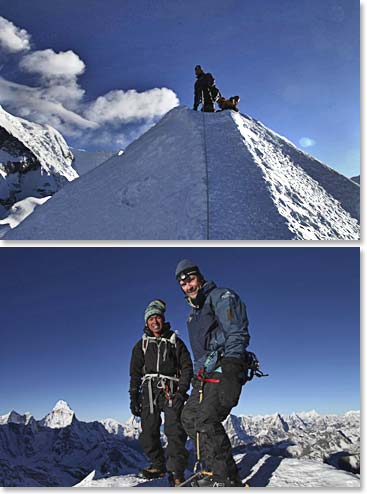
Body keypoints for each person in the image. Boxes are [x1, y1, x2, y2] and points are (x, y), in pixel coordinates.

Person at [175, 260, 250, 487]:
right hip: (204, 374)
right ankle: (214, 467)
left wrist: (232, 368)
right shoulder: (192, 317)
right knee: (189, 418)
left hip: (224, 366)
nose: (188, 286)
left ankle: (226, 479)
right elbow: (201, 352)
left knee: (207, 419)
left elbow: (236, 331)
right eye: (182, 283)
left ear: (199, 276)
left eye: (190, 279)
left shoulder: (221, 296)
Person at [129, 299, 193, 487]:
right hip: (148, 391)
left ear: (162, 319)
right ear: (146, 322)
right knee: (148, 431)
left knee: (174, 431)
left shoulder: (175, 342)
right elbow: (134, 373)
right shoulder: (141, 345)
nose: (154, 322)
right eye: (151, 319)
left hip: (171, 390)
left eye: (157, 317)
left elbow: (187, 367)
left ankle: (176, 472)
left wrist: (182, 391)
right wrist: (134, 396)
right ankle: (158, 464)